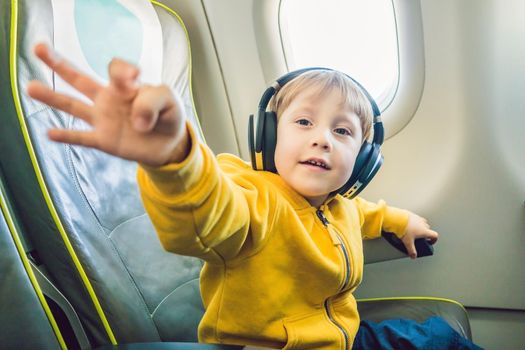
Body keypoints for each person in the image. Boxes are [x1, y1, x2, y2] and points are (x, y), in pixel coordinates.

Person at [27, 43, 481, 350]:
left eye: (342, 131)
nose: (322, 139)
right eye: (303, 123)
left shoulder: (336, 205)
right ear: (268, 136)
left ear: (363, 160)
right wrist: (175, 157)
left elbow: (361, 213)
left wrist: (399, 222)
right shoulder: (250, 194)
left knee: (441, 337)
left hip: (343, 338)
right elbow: (210, 217)